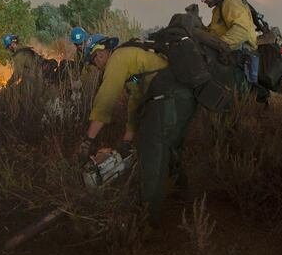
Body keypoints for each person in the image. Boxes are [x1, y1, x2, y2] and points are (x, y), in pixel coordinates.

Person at [76, 33, 196, 228]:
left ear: (100, 54)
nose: (95, 65)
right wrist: (126, 140)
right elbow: (136, 101)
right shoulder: (131, 59)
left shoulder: (117, 59)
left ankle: (148, 219)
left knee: (152, 152)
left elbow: (105, 101)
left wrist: (87, 141)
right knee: (169, 145)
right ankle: (183, 196)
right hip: (182, 98)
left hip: (169, 97)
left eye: (93, 60)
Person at [191, 0, 257, 51]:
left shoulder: (230, 2)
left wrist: (216, 46)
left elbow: (242, 32)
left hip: (240, 58)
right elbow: (214, 34)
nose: (202, 0)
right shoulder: (219, 8)